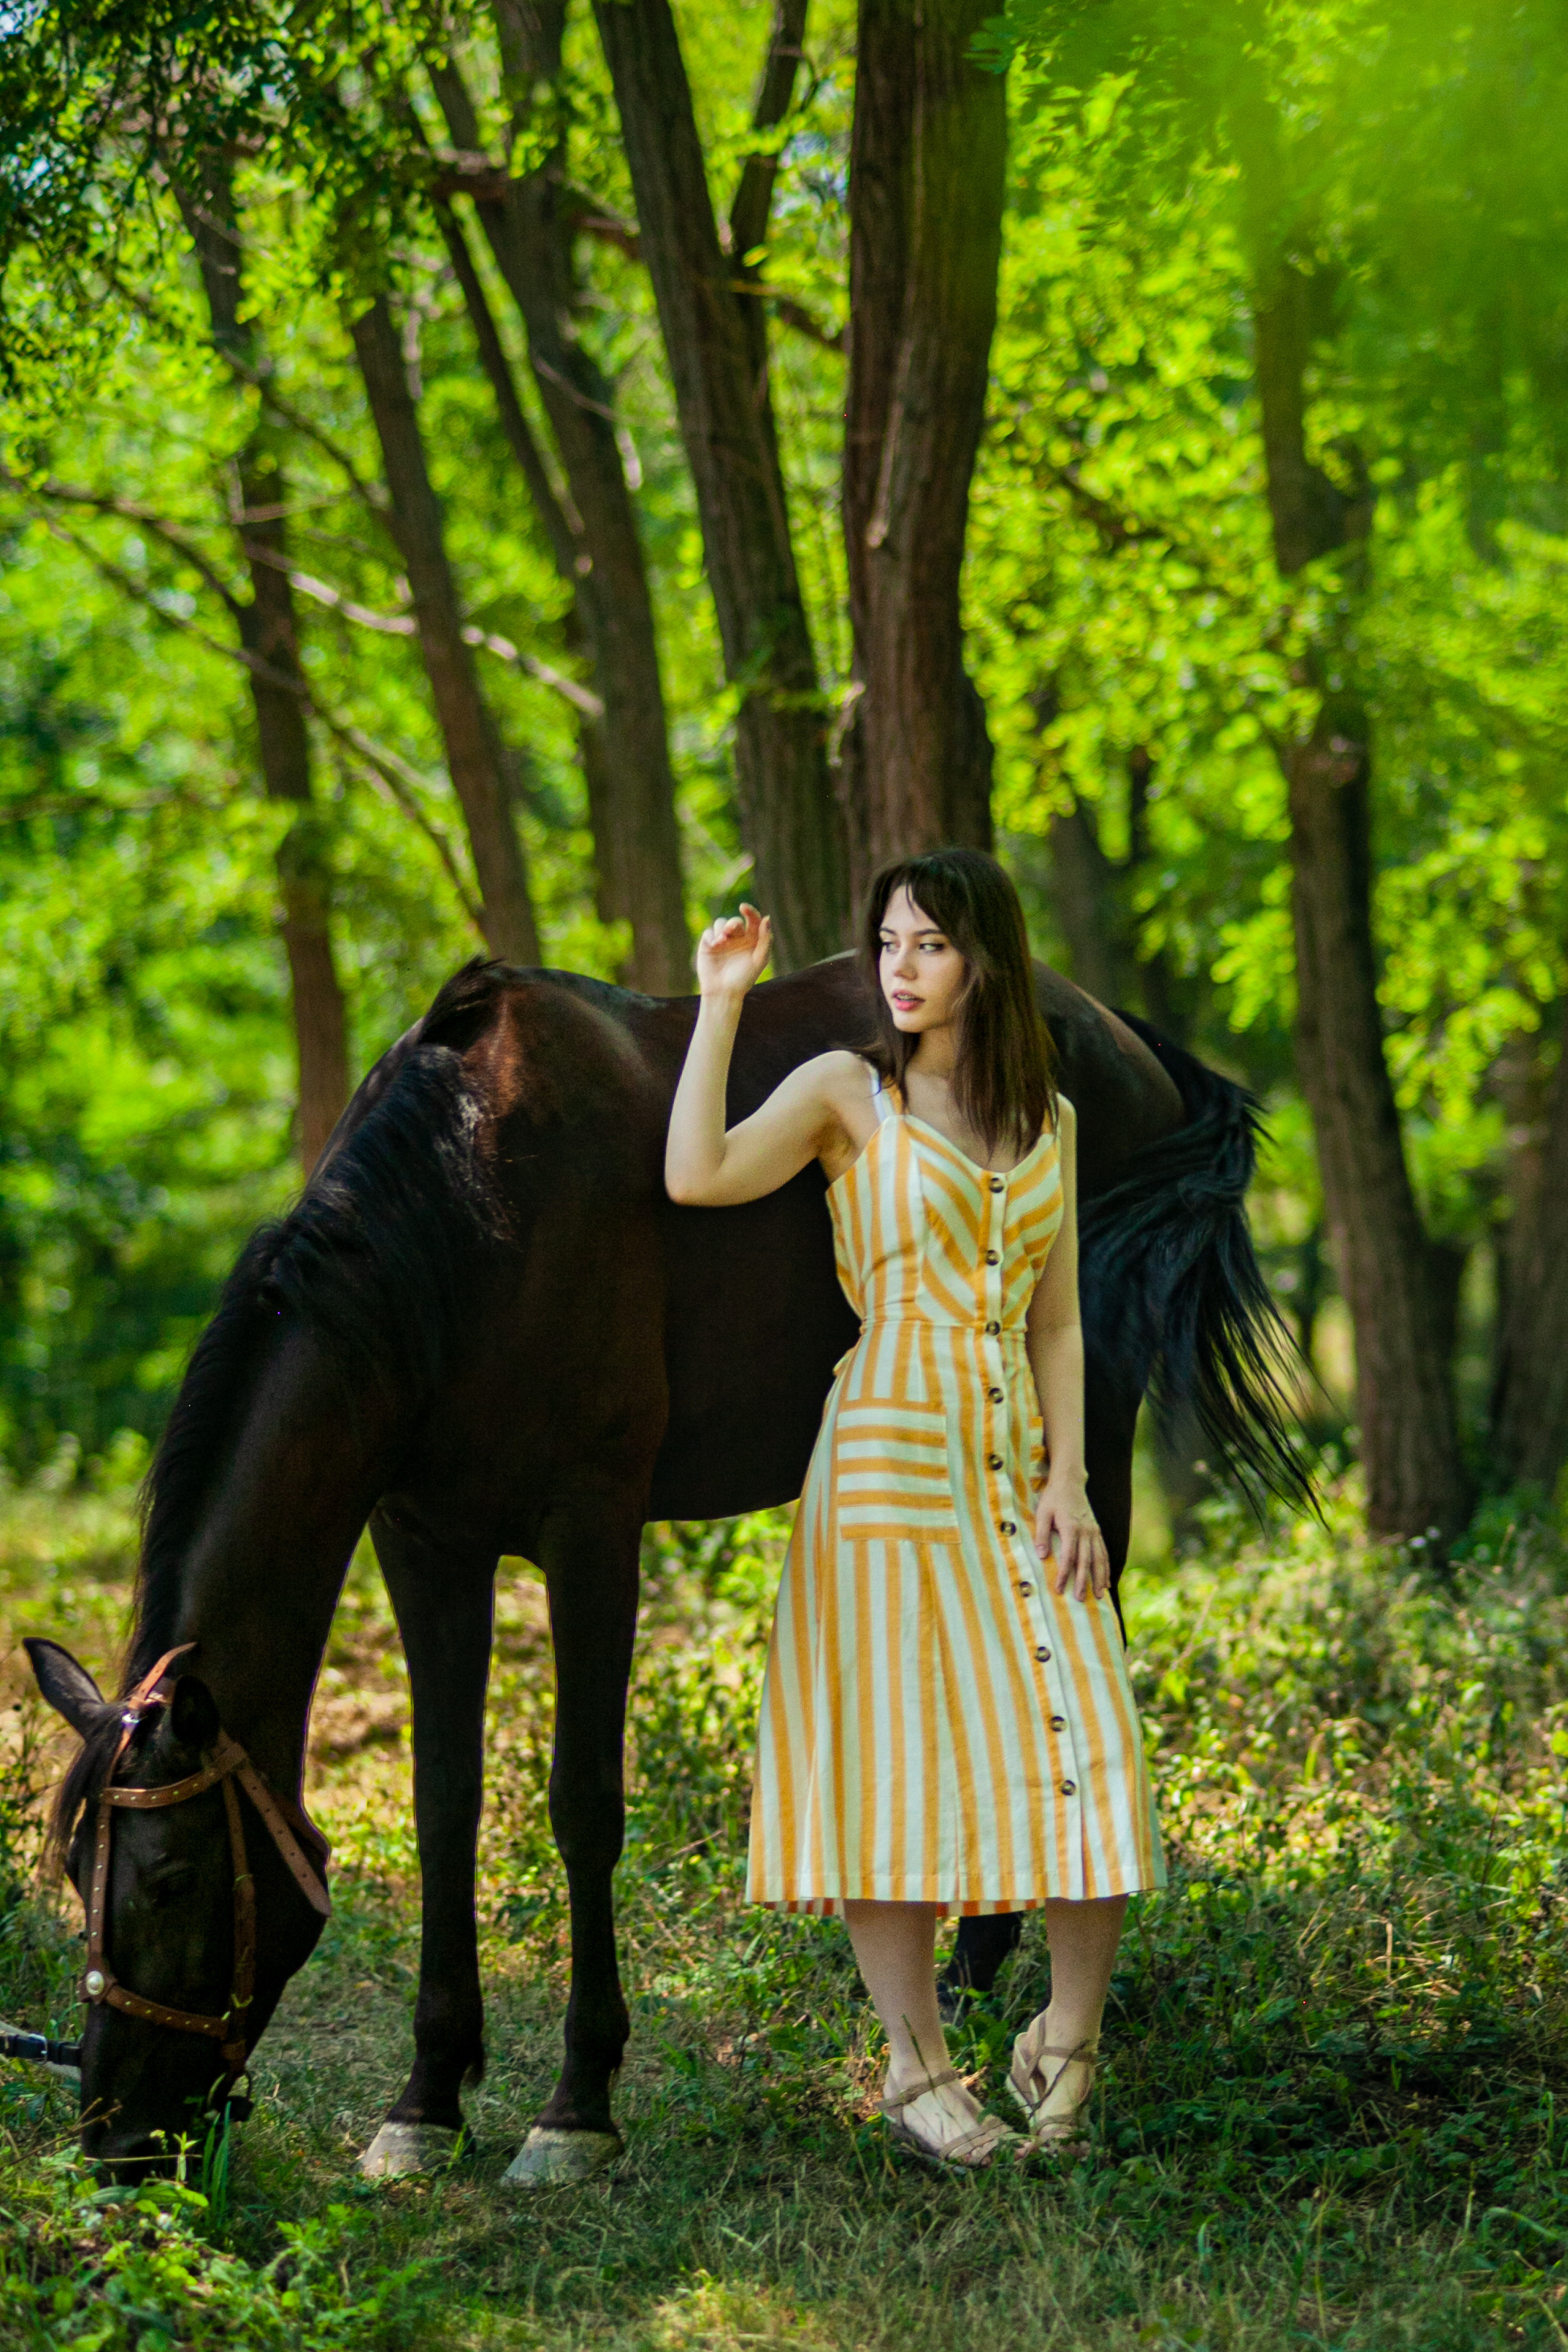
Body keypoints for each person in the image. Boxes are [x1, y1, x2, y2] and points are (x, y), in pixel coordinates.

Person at [665, 848, 1165, 2170]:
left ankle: (1064, 2039)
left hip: (1014, 1465)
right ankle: (915, 2063)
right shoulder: (849, 1091)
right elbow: (698, 1172)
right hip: (884, 1450)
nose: (899, 965)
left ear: (985, 960)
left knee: (1087, 1731)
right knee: (889, 1764)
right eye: (887, 940)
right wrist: (722, 1000)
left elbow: (1056, 1314)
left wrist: (1071, 1477)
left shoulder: (1046, 1117)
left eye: (928, 943)